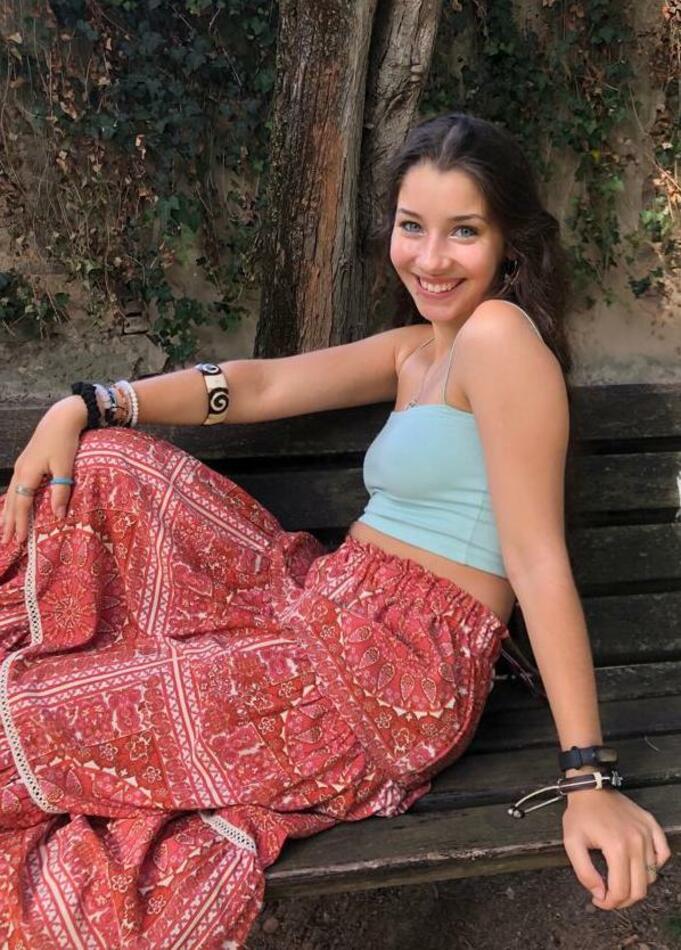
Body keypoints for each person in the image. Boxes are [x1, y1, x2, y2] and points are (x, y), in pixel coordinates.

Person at [0, 112, 671, 946]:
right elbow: (258, 387)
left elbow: (536, 562)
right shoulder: (420, 350)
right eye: (412, 226)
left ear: (510, 244)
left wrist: (587, 780)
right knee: (108, 462)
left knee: (31, 719)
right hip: (318, 607)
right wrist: (90, 404)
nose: (430, 259)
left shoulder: (498, 338)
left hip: (387, 671)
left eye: (463, 232)